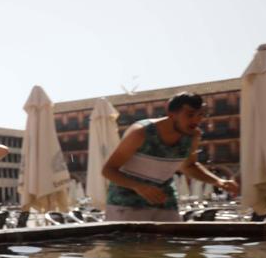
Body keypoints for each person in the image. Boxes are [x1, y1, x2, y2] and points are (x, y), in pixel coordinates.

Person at [101, 92, 239, 222]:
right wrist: (139, 187)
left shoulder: (192, 135)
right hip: (125, 203)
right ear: (171, 113)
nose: (196, 120)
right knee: (128, 247)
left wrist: (218, 181)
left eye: (200, 114)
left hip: (165, 201)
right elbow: (108, 170)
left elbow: (189, 166)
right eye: (190, 114)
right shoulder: (140, 133)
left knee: (171, 245)